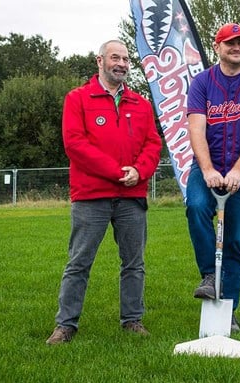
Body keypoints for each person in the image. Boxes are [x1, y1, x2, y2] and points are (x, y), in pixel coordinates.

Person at [46, 40, 162, 344]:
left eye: (126, 58)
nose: (122, 63)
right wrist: (117, 172)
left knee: (134, 263)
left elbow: (153, 144)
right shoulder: (77, 99)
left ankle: (132, 320)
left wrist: (139, 171)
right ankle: (66, 324)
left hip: (132, 197)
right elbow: (75, 145)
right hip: (91, 196)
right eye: (115, 57)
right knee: (79, 262)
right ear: (100, 61)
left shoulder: (141, 103)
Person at [186, 23, 240, 333]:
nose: (237, 47)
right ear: (217, 47)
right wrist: (208, 170)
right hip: (207, 168)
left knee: (235, 242)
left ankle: (229, 310)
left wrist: (238, 170)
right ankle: (210, 275)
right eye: (230, 43)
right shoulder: (201, 83)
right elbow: (196, 129)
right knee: (196, 206)